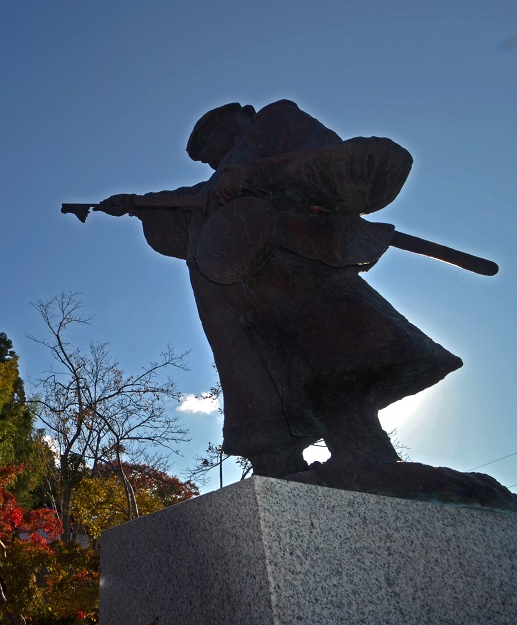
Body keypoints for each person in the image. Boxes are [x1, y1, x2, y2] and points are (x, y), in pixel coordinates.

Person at [95, 100, 461, 478]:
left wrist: (255, 175)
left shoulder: (275, 123)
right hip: (235, 297)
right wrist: (140, 205)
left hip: (295, 266)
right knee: (258, 386)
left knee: (333, 359)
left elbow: (324, 160)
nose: (209, 160)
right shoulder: (217, 180)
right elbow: (193, 198)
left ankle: (365, 454)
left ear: (237, 119)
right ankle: (277, 467)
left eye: (210, 145)